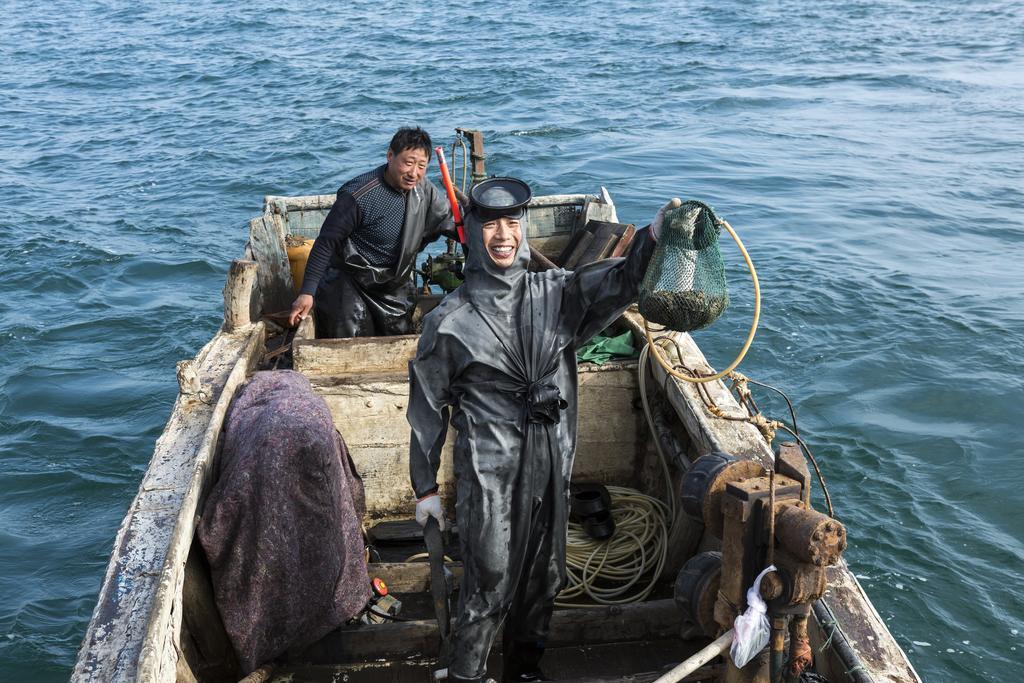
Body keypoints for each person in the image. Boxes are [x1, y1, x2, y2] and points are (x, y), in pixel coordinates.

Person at [406, 176, 678, 683]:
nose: (503, 235)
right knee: (489, 579)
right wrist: (424, 486)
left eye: (513, 223)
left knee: (543, 577)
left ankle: (525, 671)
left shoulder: (557, 293)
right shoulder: (448, 321)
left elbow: (621, 281)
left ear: (524, 229)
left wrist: (655, 238)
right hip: (490, 470)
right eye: (491, 225)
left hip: (552, 459)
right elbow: (425, 408)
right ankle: (466, 673)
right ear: (472, 234)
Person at [288, 126, 458, 337]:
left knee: (398, 339)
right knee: (347, 338)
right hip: (351, 280)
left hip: (393, 284)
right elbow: (326, 242)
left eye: (421, 166)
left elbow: (450, 222)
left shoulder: (424, 191)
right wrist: (307, 292)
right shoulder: (358, 195)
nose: (414, 173)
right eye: (408, 163)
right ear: (390, 156)